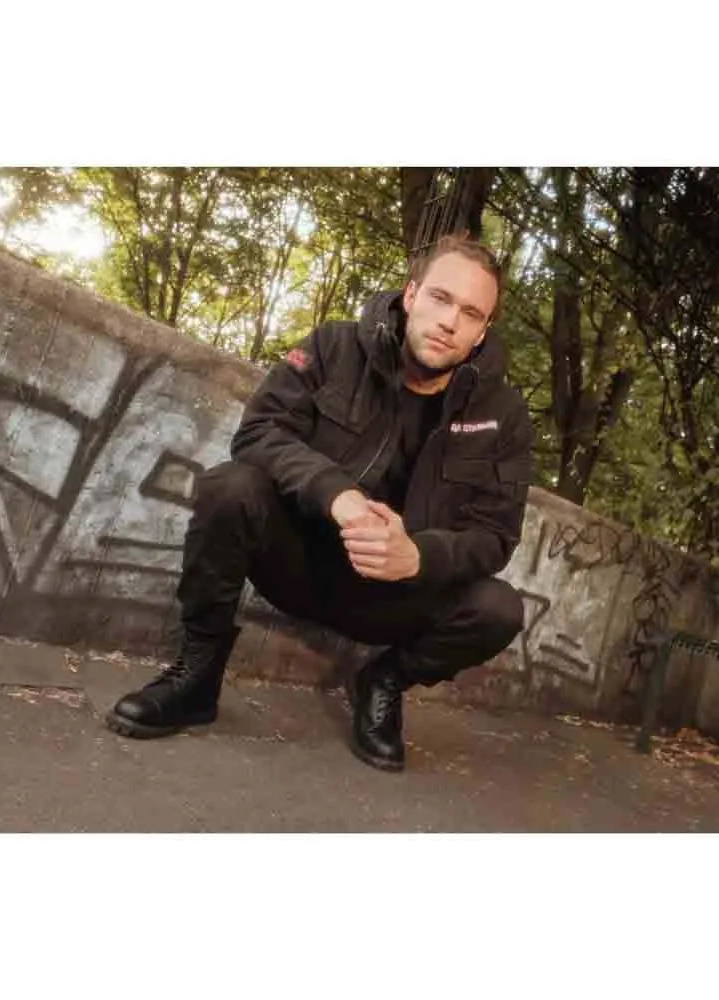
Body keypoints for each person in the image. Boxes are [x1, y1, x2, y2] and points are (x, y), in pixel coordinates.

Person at [105, 235, 533, 772]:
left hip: (394, 596)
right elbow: (259, 432)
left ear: (482, 331)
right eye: (440, 298)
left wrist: (417, 557)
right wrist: (338, 495)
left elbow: (495, 535)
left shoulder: (504, 417)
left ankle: (383, 681)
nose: (450, 321)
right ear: (411, 295)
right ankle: (198, 673)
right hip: (300, 560)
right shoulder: (335, 348)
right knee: (230, 487)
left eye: (471, 313)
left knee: (499, 609)